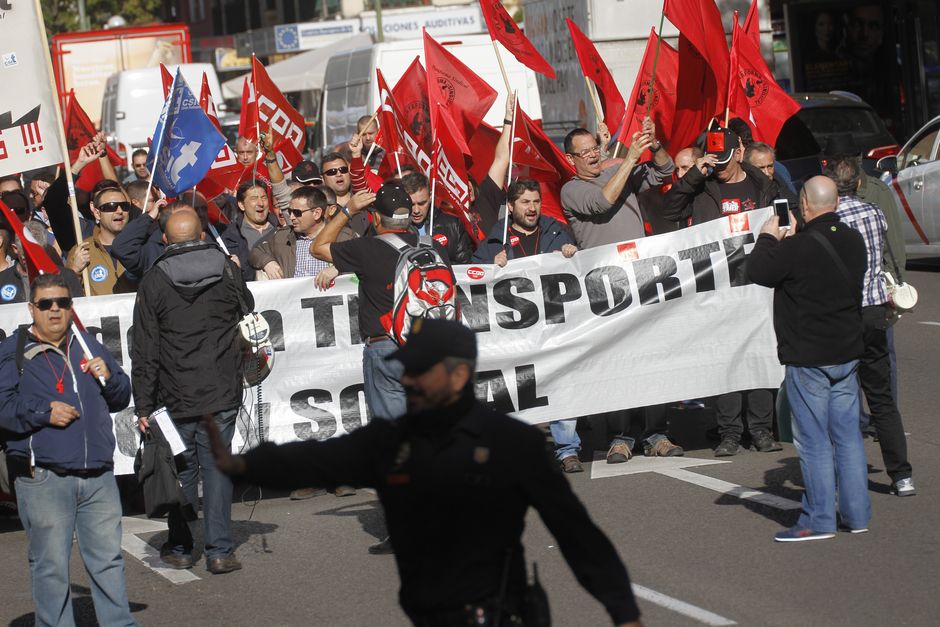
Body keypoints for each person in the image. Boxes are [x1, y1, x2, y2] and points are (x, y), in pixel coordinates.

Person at [204, 319, 643, 627]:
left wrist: (624, 613)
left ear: (458, 375)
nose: (407, 379)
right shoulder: (389, 441)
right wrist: (242, 465)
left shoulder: (513, 444)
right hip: (425, 613)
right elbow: (315, 460)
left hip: (497, 613)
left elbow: (577, 534)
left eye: (420, 370)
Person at [0, 273, 137, 625]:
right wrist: (44, 413)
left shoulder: (88, 343)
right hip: (45, 477)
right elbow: (3, 408)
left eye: (62, 302)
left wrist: (110, 375)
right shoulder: (13, 350)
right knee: (51, 568)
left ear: (71, 307)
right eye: (46, 304)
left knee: (108, 561)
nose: (55, 310)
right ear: (32, 309)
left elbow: (120, 396)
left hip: (99, 476)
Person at [747, 176, 871, 541]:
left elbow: (758, 271)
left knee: (814, 441)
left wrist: (770, 236)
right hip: (847, 351)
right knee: (848, 437)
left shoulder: (798, 246)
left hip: (809, 356)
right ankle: (857, 514)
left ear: (803, 203)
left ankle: (818, 519)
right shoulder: (853, 239)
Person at [132, 209, 254, 574]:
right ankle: (219, 552)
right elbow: (247, 309)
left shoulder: (153, 280)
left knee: (180, 473)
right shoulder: (226, 268)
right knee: (217, 470)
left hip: (175, 394)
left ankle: (182, 548)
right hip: (221, 388)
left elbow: (145, 349)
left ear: (165, 241)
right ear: (202, 236)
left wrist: (144, 404)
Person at [472, 179, 584, 472]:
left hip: (553, 328)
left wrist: (571, 253)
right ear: (511, 206)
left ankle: (567, 449)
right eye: (525, 202)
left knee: (561, 384)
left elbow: (576, 272)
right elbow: (472, 277)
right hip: (515, 334)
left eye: (536, 201)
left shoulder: (556, 231)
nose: (532, 208)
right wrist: (489, 266)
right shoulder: (495, 240)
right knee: (515, 389)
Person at [825, 157, 915, 496]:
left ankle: (842, 476)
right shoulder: (874, 213)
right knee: (882, 399)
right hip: (875, 311)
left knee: (841, 395)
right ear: (859, 184)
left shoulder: (831, 219)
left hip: (842, 313)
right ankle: (902, 475)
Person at [560, 116, 674, 248]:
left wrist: (654, 144)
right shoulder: (571, 190)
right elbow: (602, 202)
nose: (593, 155)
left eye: (595, 148)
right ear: (570, 159)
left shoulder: (616, 171)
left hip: (639, 260)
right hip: (605, 265)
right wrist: (630, 159)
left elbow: (665, 170)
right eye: (585, 152)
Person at [250, 186, 333, 279]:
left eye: (297, 212)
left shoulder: (341, 235)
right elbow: (256, 251)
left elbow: (352, 259)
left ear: (317, 213)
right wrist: (267, 262)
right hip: (293, 292)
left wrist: (338, 268)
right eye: (290, 212)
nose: (292, 217)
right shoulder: (283, 236)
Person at [65, 185, 135, 295]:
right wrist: (75, 270)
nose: (120, 211)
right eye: (111, 206)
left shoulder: (140, 247)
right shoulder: (82, 250)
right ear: (97, 213)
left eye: (124, 206)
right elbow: (66, 295)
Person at [401, 171, 473, 264]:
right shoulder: (396, 227)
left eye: (422, 203)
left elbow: (465, 265)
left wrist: (439, 268)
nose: (416, 210)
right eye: (411, 204)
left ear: (430, 197)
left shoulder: (452, 225)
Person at [221, 181, 279, 281]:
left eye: (263, 197)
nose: (260, 203)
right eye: (254, 198)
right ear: (241, 205)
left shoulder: (281, 228)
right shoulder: (230, 236)